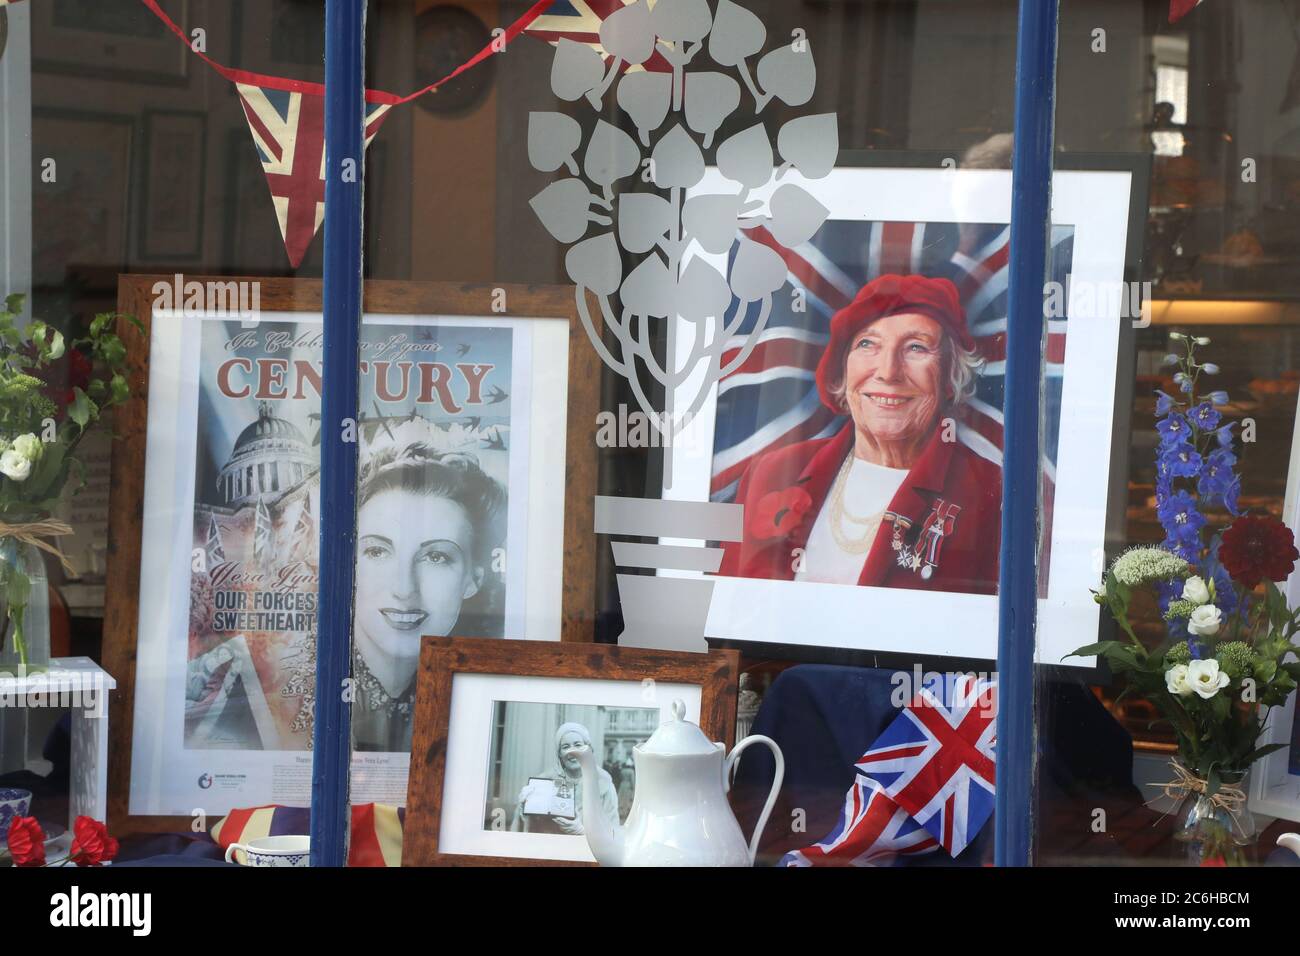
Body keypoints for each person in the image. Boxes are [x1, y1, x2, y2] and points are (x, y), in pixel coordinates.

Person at [719, 274, 1002, 594]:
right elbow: (730, 613)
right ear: (843, 369)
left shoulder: (992, 494)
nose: (888, 372)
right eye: (868, 344)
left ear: (951, 376)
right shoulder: (773, 472)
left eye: (916, 347)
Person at [352, 440, 505, 753]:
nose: (405, 588)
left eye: (436, 556)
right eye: (377, 551)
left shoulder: (473, 698)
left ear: (472, 580)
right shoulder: (260, 691)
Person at [511, 722, 620, 836]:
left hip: (586, 853)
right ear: (559, 754)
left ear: (588, 749)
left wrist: (582, 832)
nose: (572, 752)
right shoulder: (544, 781)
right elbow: (526, 831)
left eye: (578, 745)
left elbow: (613, 832)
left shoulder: (603, 782)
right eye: (565, 747)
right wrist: (524, 810)